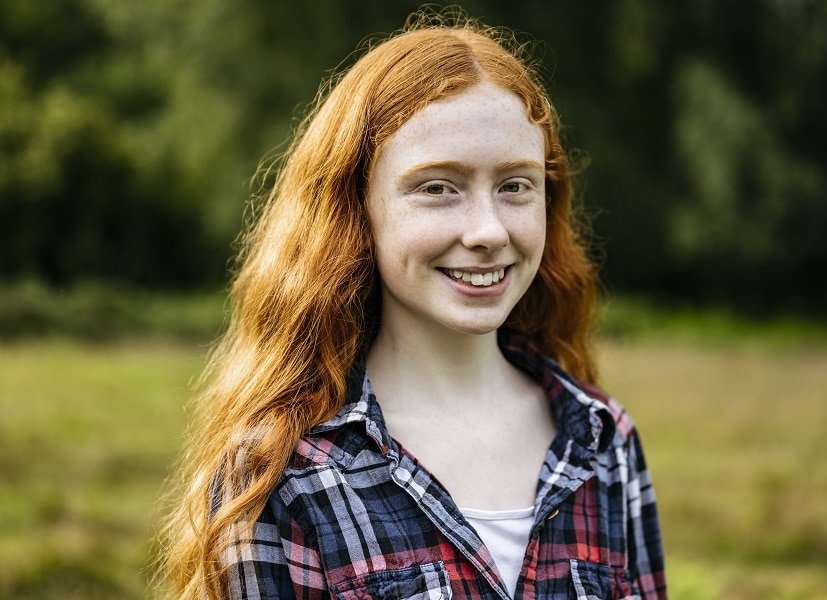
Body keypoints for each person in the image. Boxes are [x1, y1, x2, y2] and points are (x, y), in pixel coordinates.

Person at [159, 8, 666, 600]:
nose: (488, 231)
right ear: (357, 212)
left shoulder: (604, 440)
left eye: (515, 186)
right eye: (437, 188)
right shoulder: (281, 471)